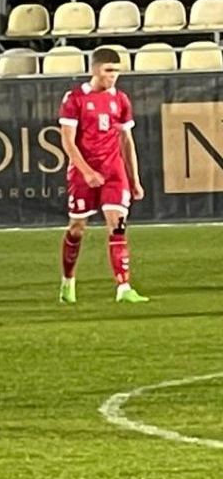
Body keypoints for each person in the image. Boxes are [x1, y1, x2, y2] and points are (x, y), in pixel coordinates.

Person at [58, 47, 149, 304]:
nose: (113, 76)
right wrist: (87, 172)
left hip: (113, 172)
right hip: (82, 173)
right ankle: (68, 281)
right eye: (109, 70)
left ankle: (124, 287)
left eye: (116, 71)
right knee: (77, 228)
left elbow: (126, 141)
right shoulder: (74, 99)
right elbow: (68, 141)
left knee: (117, 225)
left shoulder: (120, 100)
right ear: (95, 70)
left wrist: (135, 179)